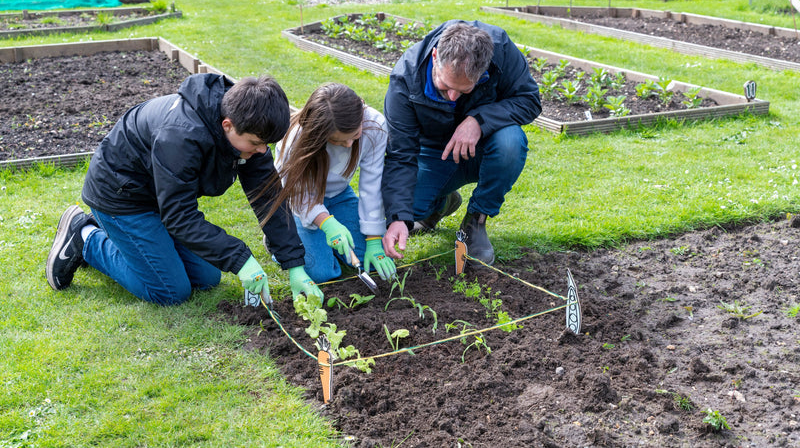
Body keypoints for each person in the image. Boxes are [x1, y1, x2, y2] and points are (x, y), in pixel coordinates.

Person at [45, 73, 323, 306]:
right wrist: (241, 259)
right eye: (256, 143)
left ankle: (130, 238)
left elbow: (268, 196)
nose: (262, 151)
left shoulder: (248, 120)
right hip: (121, 195)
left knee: (208, 277)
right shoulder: (181, 136)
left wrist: (294, 265)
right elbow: (179, 216)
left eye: (267, 144)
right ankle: (86, 237)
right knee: (170, 291)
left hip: (159, 195)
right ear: (227, 125)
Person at [381, 20, 541, 265]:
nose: (453, 97)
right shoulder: (405, 79)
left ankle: (475, 221)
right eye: (445, 87)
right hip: (436, 153)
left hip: (487, 148)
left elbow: (529, 100)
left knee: (511, 141)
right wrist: (397, 218)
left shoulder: (501, 50)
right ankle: (442, 203)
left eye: (465, 90)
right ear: (435, 56)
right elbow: (401, 154)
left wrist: (478, 120)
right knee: (405, 210)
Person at [274, 83, 396, 284]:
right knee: (322, 273)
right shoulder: (294, 138)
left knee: (375, 261)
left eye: (354, 136)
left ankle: (321, 241)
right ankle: (276, 241)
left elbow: (371, 185)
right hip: (298, 204)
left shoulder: (375, 125)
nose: (349, 145)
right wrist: (327, 223)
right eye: (338, 141)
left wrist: (374, 239)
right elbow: (297, 194)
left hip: (338, 196)